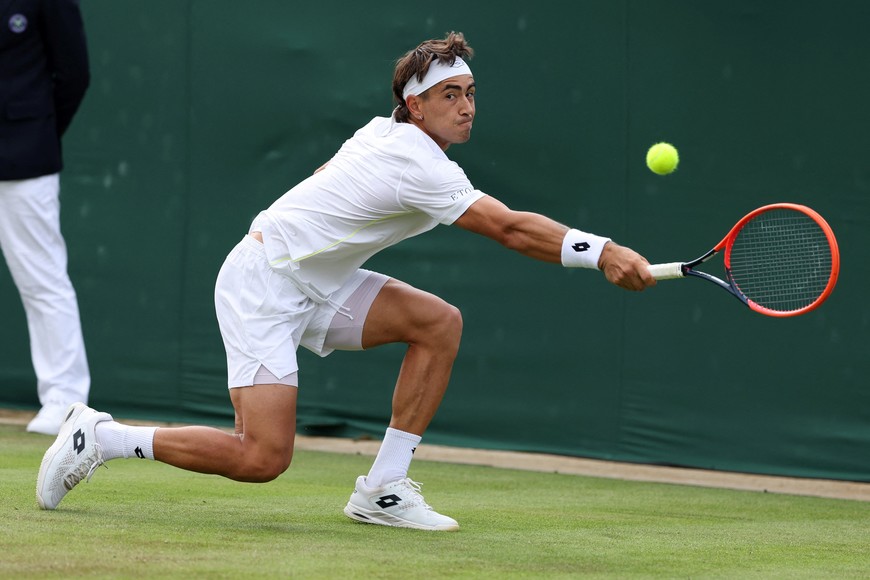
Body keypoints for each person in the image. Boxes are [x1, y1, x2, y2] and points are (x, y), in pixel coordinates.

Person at [36, 32, 655, 530]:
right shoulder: (416, 160)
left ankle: (383, 489)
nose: (466, 106)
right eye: (450, 96)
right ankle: (107, 437)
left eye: (470, 93)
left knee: (438, 322)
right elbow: (511, 230)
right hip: (263, 285)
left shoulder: (382, 131)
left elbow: (328, 181)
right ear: (416, 106)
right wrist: (600, 252)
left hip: (318, 278)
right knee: (262, 458)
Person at [1, 0, 91, 435]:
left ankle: (64, 399)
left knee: (42, 279)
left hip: (23, 158)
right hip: (25, 145)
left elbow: (74, 74)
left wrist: (35, 133)